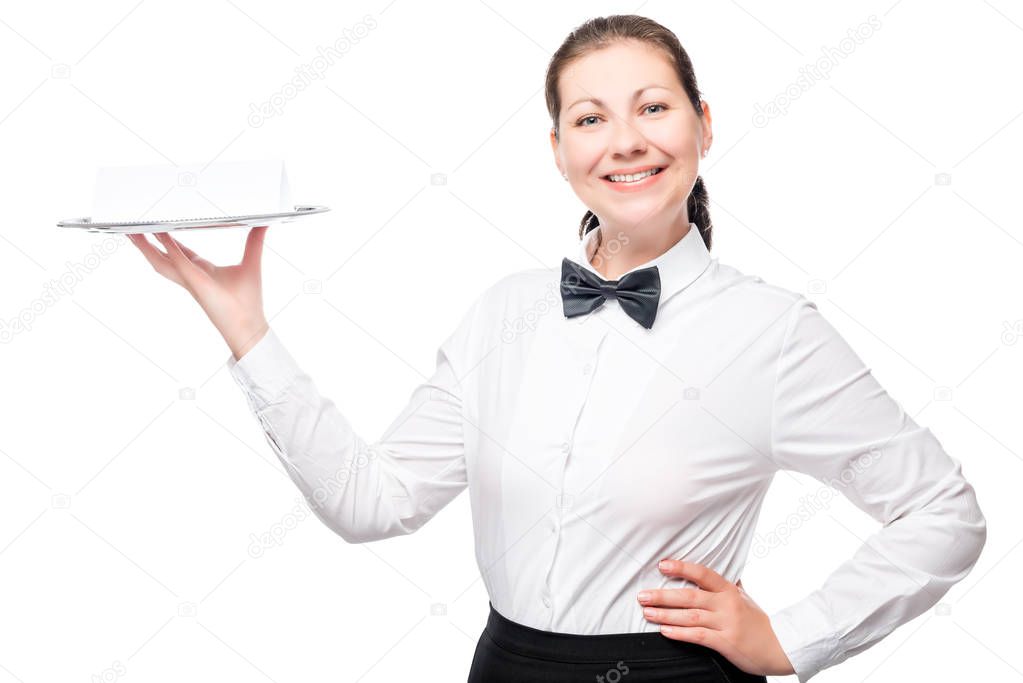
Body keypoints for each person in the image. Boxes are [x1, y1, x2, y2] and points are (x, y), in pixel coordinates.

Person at [129, 14, 987, 683]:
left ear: (703, 125)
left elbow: (943, 513)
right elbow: (371, 503)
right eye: (590, 117)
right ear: (558, 151)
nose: (625, 140)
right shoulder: (500, 314)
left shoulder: (770, 332)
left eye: (653, 107)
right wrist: (244, 323)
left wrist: (790, 636)